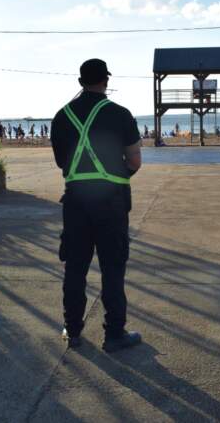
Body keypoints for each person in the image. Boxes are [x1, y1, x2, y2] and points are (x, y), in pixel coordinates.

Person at [51, 58, 142, 353]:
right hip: (111, 202)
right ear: (106, 81)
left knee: (75, 267)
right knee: (112, 267)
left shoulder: (62, 116)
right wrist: (115, 176)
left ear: (80, 82)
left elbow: (62, 162)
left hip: (76, 201)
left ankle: (73, 330)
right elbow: (135, 161)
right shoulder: (120, 114)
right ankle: (114, 334)